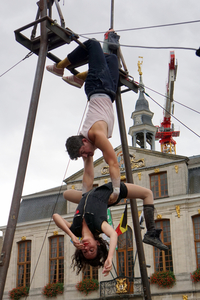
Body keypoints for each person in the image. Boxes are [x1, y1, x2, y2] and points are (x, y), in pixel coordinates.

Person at [52, 157, 168, 277]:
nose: (87, 248)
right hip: (110, 193)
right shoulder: (99, 225)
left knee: (66, 194)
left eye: (85, 251)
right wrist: (110, 257)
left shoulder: (76, 230)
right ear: (97, 243)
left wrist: (71, 235)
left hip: (88, 195)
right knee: (148, 194)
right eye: (91, 250)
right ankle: (151, 233)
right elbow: (113, 234)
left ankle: (89, 154)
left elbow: (56, 216)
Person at [46, 38, 121, 203]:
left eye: (83, 152)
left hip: (98, 85)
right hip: (110, 92)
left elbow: (113, 163)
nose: (87, 155)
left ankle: (60, 67)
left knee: (93, 44)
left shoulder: (96, 135)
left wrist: (116, 191)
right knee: (112, 59)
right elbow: (88, 175)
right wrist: (85, 199)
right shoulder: (87, 147)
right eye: (83, 155)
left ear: (85, 140)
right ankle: (80, 77)